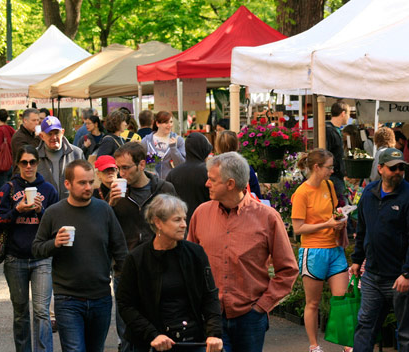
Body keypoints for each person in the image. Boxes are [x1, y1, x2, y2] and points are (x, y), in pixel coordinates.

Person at [187, 152, 298, 352]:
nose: (206, 184)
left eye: (212, 179)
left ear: (230, 184)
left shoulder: (267, 218)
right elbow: (188, 264)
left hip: (250, 318)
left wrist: (261, 306)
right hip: (211, 317)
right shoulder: (201, 214)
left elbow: (288, 270)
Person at [32, 160, 128, 352]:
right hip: (68, 299)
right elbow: (36, 248)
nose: (88, 187)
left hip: (100, 297)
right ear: (68, 184)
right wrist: (55, 243)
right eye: (82, 183)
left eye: (91, 182)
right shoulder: (54, 213)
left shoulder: (104, 210)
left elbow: (120, 250)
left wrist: (127, 283)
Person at [116, 194, 223, 352]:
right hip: (152, 343)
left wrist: (214, 333)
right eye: (177, 220)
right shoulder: (137, 259)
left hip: (192, 342)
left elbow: (210, 296)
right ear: (158, 222)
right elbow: (126, 305)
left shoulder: (195, 254)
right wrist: (153, 335)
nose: (184, 225)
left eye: (184, 219)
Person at [350, 148, 409, 352]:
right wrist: (357, 259)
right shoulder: (369, 192)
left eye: (401, 167)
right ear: (380, 169)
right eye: (393, 168)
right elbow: (362, 228)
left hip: (399, 277)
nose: (398, 171)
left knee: (406, 331)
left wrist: (408, 273)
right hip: (373, 275)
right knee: (365, 326)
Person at [0, 145, 59, 352]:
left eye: (32, 162)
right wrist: (17, 210)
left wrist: (41, 212)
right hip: (15, 258)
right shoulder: (8, 188)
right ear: (18, 164)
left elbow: (55, 224)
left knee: (41, 311)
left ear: (37, 163)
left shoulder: (48, 189)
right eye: (24, 162)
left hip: (41, 258)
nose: (28, 166)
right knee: (21, 312)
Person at [291, 149, 349, 352]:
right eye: (329, 167)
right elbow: (298, 229)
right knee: (313, 303)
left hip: (334, 249)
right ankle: (314, 345)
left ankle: (346, 344)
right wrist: (327, 224)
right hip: (313, 251)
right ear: (317, 167)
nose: (332, 170)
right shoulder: (301, 193)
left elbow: (333, 212)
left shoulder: (329, 185)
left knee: (342, 299)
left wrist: (340, 219)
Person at [110, 142, 177, 251]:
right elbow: (108, 230)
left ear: (141, 165)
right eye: (118, 168)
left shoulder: (164, 189)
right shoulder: (116, 193)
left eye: (125, 168)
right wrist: (111, 206)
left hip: (160, 256)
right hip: (129, 259)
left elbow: (177, 223)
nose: (121, 173)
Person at [165, 132, 212, 225]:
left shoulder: (173, 173)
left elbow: (167, 201)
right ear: (204, 150)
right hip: (205, 222)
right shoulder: (209, 172)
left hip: (180, 224)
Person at [37, 116, 84, 200]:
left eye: (56, 133)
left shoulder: (76, 153)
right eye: (49, 134)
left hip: (71, 206)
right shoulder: (34, 157)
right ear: (42, 136)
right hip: (45, 208)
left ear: (62, 132)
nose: (54, 137)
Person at [214, 130, 262, 199]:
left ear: (217, 147)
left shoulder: (213, 169)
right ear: (237, 145)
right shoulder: (246, 168)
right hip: (244, 206)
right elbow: (256, 194)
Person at [141, 111, 186, 179]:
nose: (169, 125)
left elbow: (181, 165)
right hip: (152, 183)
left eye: (171, 122)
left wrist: (173, 148)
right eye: (166, 122)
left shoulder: (178, 140)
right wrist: (147, 171)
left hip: (172, 183)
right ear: (157, 124)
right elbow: (139, 162)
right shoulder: (147, 141)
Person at [325, 102, 349, 203]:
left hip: (336, 175)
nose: (349, 117)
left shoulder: (334, 130)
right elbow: (326, 153)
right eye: (348, 114)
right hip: (333, 176)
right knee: (343, 205)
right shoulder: (329, 130)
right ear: (343, 113)